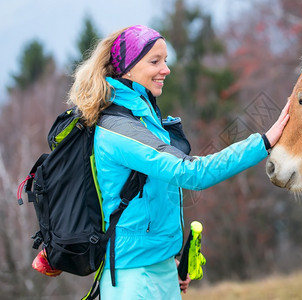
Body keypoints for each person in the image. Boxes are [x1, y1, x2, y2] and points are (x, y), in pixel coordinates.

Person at [68, 25, 289, 300]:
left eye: (166, 61)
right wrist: (264, 142)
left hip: (158, 269)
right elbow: (191, 173)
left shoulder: (143, 119)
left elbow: (148, 199)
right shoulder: (119, 130)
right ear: (126, 69)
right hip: (132, 279)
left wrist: (164, 260)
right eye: (155, 61)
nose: (166, 69)